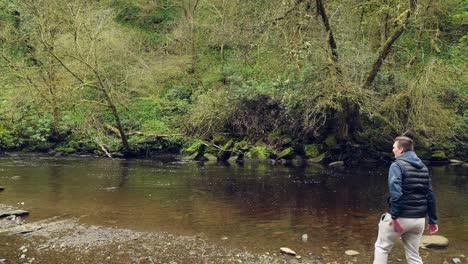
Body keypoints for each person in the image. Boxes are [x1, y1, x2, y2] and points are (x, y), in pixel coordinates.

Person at [373, 136, 439, 264]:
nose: (393, 150)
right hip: (419, 220)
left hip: (400, 217)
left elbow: (396, 192)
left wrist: (394, 216)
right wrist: (432, 220)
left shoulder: (396, 165)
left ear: (401, 150)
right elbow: (430, 195)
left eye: (394, 148)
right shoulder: (424, 168)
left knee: (382, 248)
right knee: (414, 256)